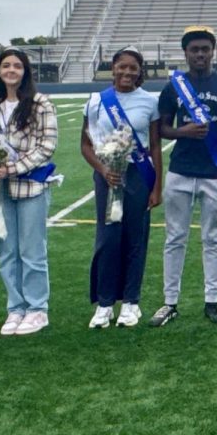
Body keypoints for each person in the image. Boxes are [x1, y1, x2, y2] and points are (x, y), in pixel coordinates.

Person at [148, 26, 217, 327]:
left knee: (212, 238)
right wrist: (182, 132)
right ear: (186, 53)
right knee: (174, 238)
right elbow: (160, 129)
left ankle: (212, 301)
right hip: (180, 171)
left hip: (215, 173)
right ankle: (170, 302)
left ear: (213, 51)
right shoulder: (173, 86)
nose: (200, 54)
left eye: (205, 48)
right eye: (194, 49)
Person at [80, 47, 163, 329]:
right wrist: (103, 169)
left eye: (133, 68)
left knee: (135, 239)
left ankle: (131, 302)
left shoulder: (149, 102)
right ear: (112, 68)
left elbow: (154, 146)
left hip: (139, 175)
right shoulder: (95, 102)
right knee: (107, 240)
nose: (127, 72)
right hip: (107, 177)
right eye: (122, 67)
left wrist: (157, 187)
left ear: (140, 71)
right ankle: (104, 304)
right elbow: (85, 144)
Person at [0, 48, 58, 337]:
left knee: (32, 251)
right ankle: (15, 308)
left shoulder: (40, 103)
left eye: (17, 65)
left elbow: (47, 146)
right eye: (6, 65)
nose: (11, 70)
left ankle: (37, 308)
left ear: (26, 71)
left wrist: (13, 168)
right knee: (7, 251)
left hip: (31, 186)